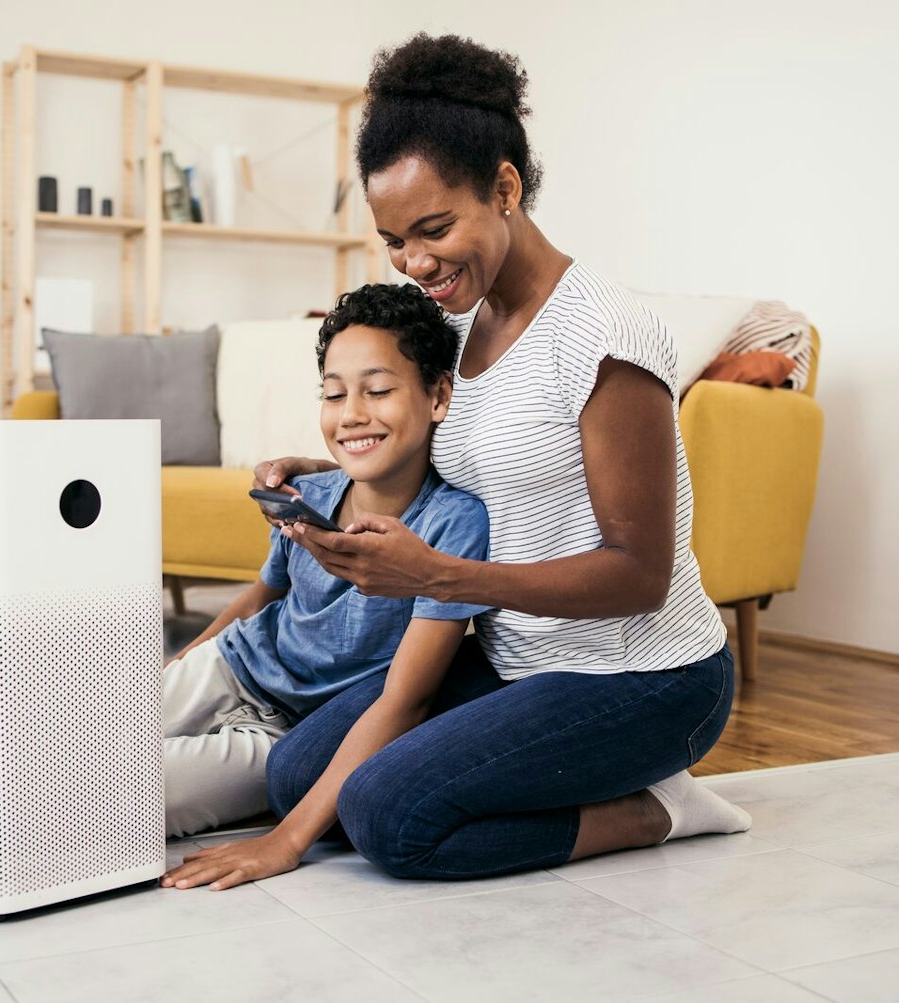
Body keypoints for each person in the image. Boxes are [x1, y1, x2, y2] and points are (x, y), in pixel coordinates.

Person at [173, 33, 751, 890]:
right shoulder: (453, 326)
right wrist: (317, 466)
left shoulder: (606, 341)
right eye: (394, 239)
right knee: (298, 772)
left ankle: (656, 808)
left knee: (388, 820)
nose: (416, 264)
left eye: (435, 228)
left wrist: (441, 578)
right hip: (514, 655)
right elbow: (428, 441)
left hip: (641, 676)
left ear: (506, 186)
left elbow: (640, 575)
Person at [156, 282, 490, 868]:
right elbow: (263, 597)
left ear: (438, 395)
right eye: (333, 396)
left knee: (114, 795)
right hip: (230, 668)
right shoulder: (306, 493)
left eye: (379, 390)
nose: (352, 414)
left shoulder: (454, 526)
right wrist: (177, 670)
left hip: (285, 735)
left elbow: (407, 698)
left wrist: (286, 843)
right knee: (70, 732)